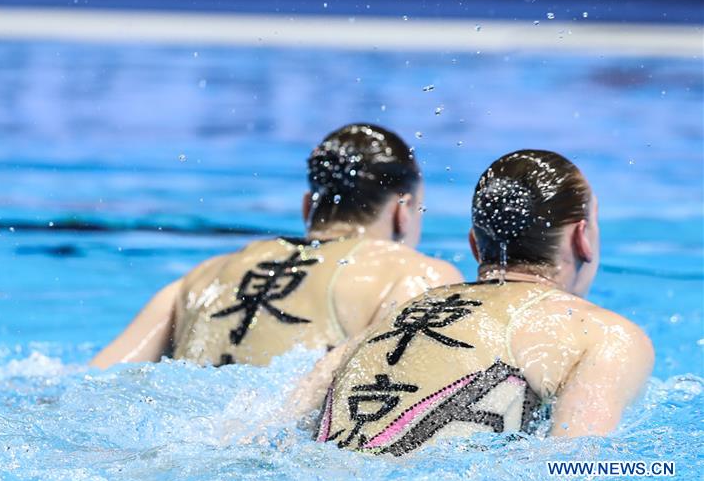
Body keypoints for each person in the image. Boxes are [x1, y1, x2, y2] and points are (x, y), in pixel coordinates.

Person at [296, 149, 653, 454]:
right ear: (582, 238)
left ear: (475, 245)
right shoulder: (606, 335)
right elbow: (572, 467)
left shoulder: (401, 315)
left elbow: (279, 423)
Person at [90, 123, 463, 368]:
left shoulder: (201, 277)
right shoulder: (415, 275)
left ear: (307, 208)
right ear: (402, 212)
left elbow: (96, 381)